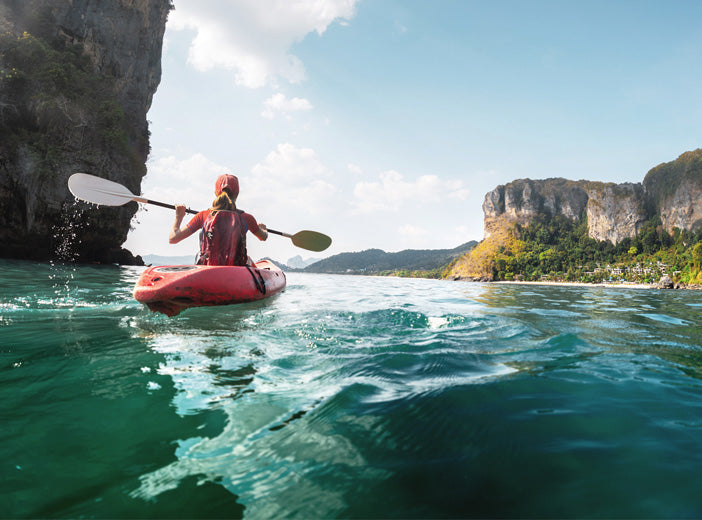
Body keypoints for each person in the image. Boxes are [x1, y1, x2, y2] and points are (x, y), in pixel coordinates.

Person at [169, 174, 268, 266]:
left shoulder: (203, 216)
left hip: (208, 269)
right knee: (249, 260)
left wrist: (179, 216)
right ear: (237, 194)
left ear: (216, 192)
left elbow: (173, 238)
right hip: (236, 271)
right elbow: (263, 237)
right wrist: (262, 229)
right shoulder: (247, 218)